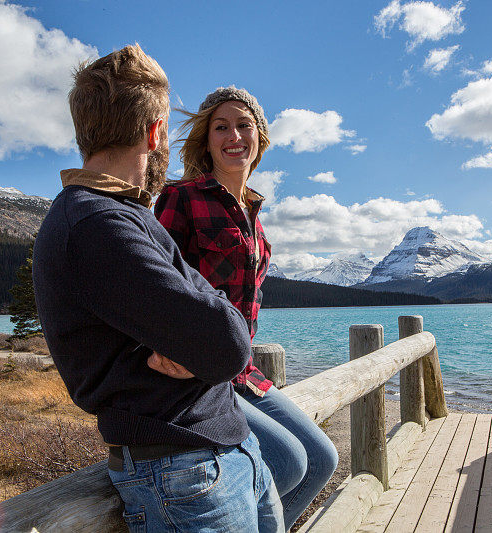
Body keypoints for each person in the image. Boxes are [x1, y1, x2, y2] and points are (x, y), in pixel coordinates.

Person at [33, 46, 283, 533]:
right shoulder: (96, 225)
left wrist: (201, 327)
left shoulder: (126, 217)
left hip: (219, 450)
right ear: (155, 132)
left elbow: (215, 324)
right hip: (181, 469)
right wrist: (205, 328)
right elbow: (227, 343)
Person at [154, 86, 339, 529]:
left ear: (260, 137)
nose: (233, 135)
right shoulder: (183, 197)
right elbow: (154, 280)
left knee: (322, 459)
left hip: (243, 371)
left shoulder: (253, 210)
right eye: (221, 127)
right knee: (291, 463)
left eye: (243, 125)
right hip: (201, 375)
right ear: (206, 138)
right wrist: (164, 345)